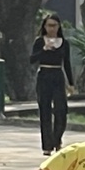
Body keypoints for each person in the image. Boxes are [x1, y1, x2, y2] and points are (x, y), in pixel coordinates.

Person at [29, 13, 72, 154]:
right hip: (44, 75)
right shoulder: (39, 41)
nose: (51, 28)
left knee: (61, 110)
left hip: (57, 76)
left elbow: (67, 63)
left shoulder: (64, 43)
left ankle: (57, 138)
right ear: (44, 27)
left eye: (54, 25)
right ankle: (47, 145)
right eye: (49, 25)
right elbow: (32, 59)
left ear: (59, 26)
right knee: (45, 111)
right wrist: (44, 50)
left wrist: (71, 83)